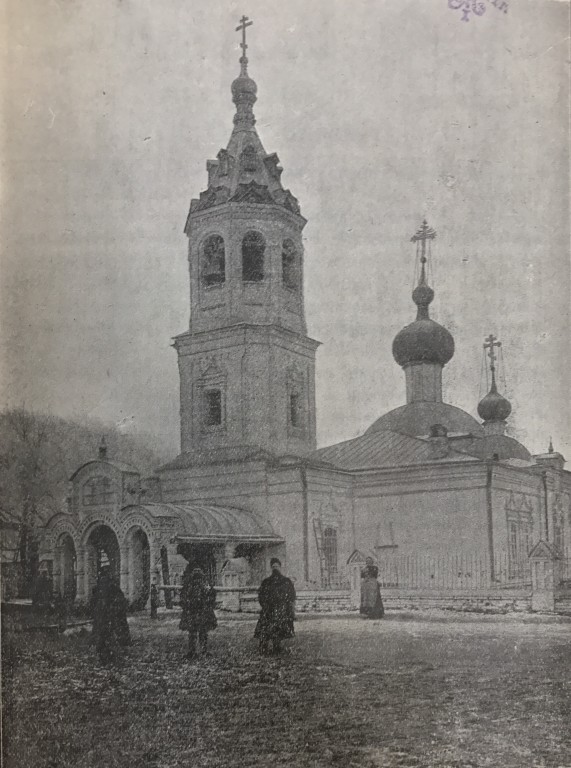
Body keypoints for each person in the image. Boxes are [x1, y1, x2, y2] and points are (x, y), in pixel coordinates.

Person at [254, 558, 296, 655]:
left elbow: (291, 596)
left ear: (280, 567)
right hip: (268, 610)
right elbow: (261, 595)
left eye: (276, 566)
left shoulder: (286, 581)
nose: (275, 569)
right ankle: (263, 647)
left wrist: (289, 608)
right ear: (271, 568)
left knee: (278, 629)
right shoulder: (266, 582)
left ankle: (277, 646)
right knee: (266, 629)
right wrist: (265, 606)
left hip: (281, 609)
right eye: (273, 567)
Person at [92, 569, 131, 663]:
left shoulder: (101, 588)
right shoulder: (112, 588)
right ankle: (108, 652)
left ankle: (105, 652)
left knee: (104, 633)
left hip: (106, 614)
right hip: (108, 614)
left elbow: (94, 600)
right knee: (109, 632)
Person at [179, 566, 217, 660]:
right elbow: (212, 596)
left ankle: (196, 651)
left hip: (195, 613)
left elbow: (183, 598)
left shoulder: (191, 585)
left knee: (195, 633)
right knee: (200, 633)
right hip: (199, 613)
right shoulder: (201, 585)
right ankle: (199, 651)